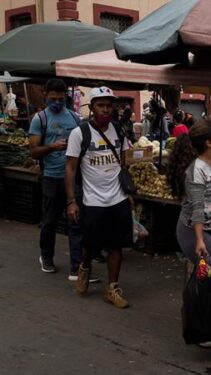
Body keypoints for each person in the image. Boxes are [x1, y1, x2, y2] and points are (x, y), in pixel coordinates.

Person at [65, 86, 133, 308]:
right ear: (92, 108)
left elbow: (124, 161)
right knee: (90, 246)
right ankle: (85, 267)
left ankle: (112, 288)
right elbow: (71, 169)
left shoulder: (119, 130)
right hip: (92, 201)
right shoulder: (80, 133)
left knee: (116, 246)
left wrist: (129, 191)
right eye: (101, 105)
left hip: (118, 198)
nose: (106, 109)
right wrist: (71, 201)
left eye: (109, 105)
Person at [29, 79, 98, 281]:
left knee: (76, 222)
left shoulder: (74, 118)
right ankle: (46, 257)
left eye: (61, 99)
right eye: (53, 99)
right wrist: (52, 147)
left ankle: (76, 268)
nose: (58, 102)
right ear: (46, 95)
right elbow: (33, 152)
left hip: (73, 179)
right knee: (50, 221)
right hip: (51, 177)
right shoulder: (39, 119)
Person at [167, 120, 211, 349]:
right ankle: (199, 327)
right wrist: (200, 240)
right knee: (209, 276)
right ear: (209, 142)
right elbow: (196, 209)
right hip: (194, 231)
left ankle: (207, 322)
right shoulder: (196, 171)